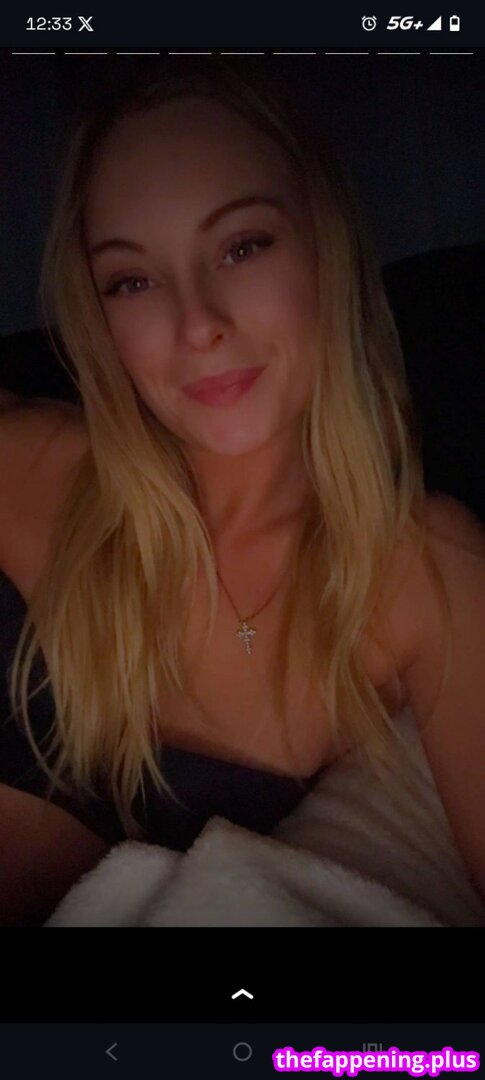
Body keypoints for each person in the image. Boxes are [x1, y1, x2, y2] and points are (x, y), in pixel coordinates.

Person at [0, 57, 483, 926]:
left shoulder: (422, 572)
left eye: (242, 246)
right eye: (132, 280)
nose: (197, 323)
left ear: (326, 247)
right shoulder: (38, 465)